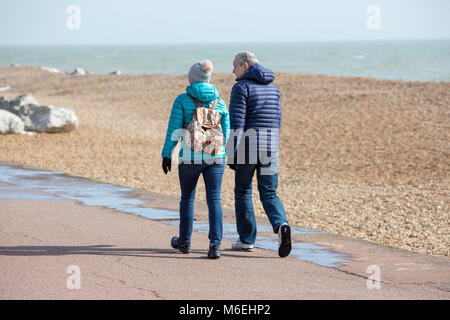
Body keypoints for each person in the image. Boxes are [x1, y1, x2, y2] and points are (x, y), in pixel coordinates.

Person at [161, 60, 230, 259]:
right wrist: (218, 150)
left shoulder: (182, 100)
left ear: (191, 79)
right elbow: (225, 132)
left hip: (190, 157)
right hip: (216, 157)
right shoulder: (220, 101)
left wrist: (167, 154)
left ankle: (184, 242)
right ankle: (215, 245)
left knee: (188, 198)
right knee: (214, 199)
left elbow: (174, 131)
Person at [227, 51, 291, 258]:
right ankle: (281, 225)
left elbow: (237, 124)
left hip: (248, 146)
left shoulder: (241, 87)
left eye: (235, 65)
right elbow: (278, 120)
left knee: (243, 191)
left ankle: (246, 240)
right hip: (271, 146)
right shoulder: (273, 87)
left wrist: (230, 154)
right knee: (269, 193)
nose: (232, 70)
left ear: (245, 66)